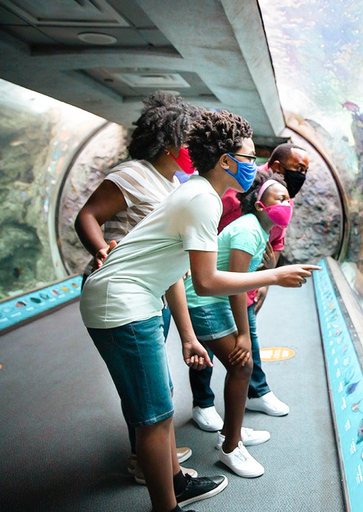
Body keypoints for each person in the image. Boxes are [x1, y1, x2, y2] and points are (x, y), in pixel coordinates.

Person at [80, 108, 319, 512]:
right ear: (226, 161)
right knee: (155, 417)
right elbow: (206, 281)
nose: (255, 165)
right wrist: (274, 278)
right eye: (248, 157)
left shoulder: (197, 192)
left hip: (126, 298)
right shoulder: (202, 200)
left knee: (156, 407)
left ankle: (176, 483)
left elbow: (175, 270)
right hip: (122, 304)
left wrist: (188, 334)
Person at [74, 91, 200, 483]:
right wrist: (100, 251)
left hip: (152, 294)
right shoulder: (133, 173)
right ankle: (148, 463)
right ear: (168, 144)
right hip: (127, 290)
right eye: (189, 141)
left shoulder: (170, 184)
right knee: (148, 389)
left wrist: (185, 332)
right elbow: (88, 215)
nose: (193, 149)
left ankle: (153, 452)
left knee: (151, 385)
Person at [190, 143, 310, 430]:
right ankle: (204, 403)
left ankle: (256, 393)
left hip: (245, 282)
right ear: (278, 166)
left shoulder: (281, 198)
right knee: (210, 344)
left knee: (246, 343)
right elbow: (214, 234)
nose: (302, 176)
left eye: (306, 171)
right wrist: (268, 277)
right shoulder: (240, 195)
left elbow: (275, 240)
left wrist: (264, 278)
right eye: (298, 169)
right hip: (214, 284)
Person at [185, 171, 292, 477]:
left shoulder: (259, 231)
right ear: (260, 204)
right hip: (205, 303)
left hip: (213, 300)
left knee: (239, 367)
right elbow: (235, 284)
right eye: (279, 197)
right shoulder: (248, 231)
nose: (286, 203)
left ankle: (233, 430)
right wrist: (244, 334)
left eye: (287, 198)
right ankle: (230, 447)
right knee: (242, 365)